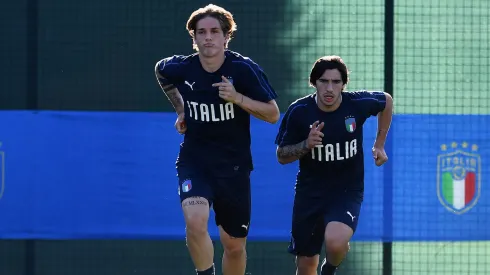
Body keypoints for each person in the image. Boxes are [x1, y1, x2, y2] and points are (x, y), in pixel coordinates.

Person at [154, 4, 280, 275]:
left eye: (214, 31)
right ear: (194, 38)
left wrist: (237, 98)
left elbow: (272, 114)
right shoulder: (182, 68)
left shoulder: (244, 69)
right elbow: (161, 71)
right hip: (195, 162)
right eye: (201, 32)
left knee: (233, 245)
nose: (208, 37)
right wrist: (181, 109)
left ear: (226, 37)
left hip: (233, 167)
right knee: (195, 221)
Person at [275, 55, 393, 275]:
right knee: (306, 266)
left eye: (336, 82)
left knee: (336, 243)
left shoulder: (357, 104)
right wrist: (306, 144)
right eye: (323, 81)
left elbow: (386, 101)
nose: (329, 88)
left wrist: (379, 144)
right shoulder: (299, 111)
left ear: (343, 85)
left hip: (346, 191)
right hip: (309, 194)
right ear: (314, 83)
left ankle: (329, 269)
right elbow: (282, 155)